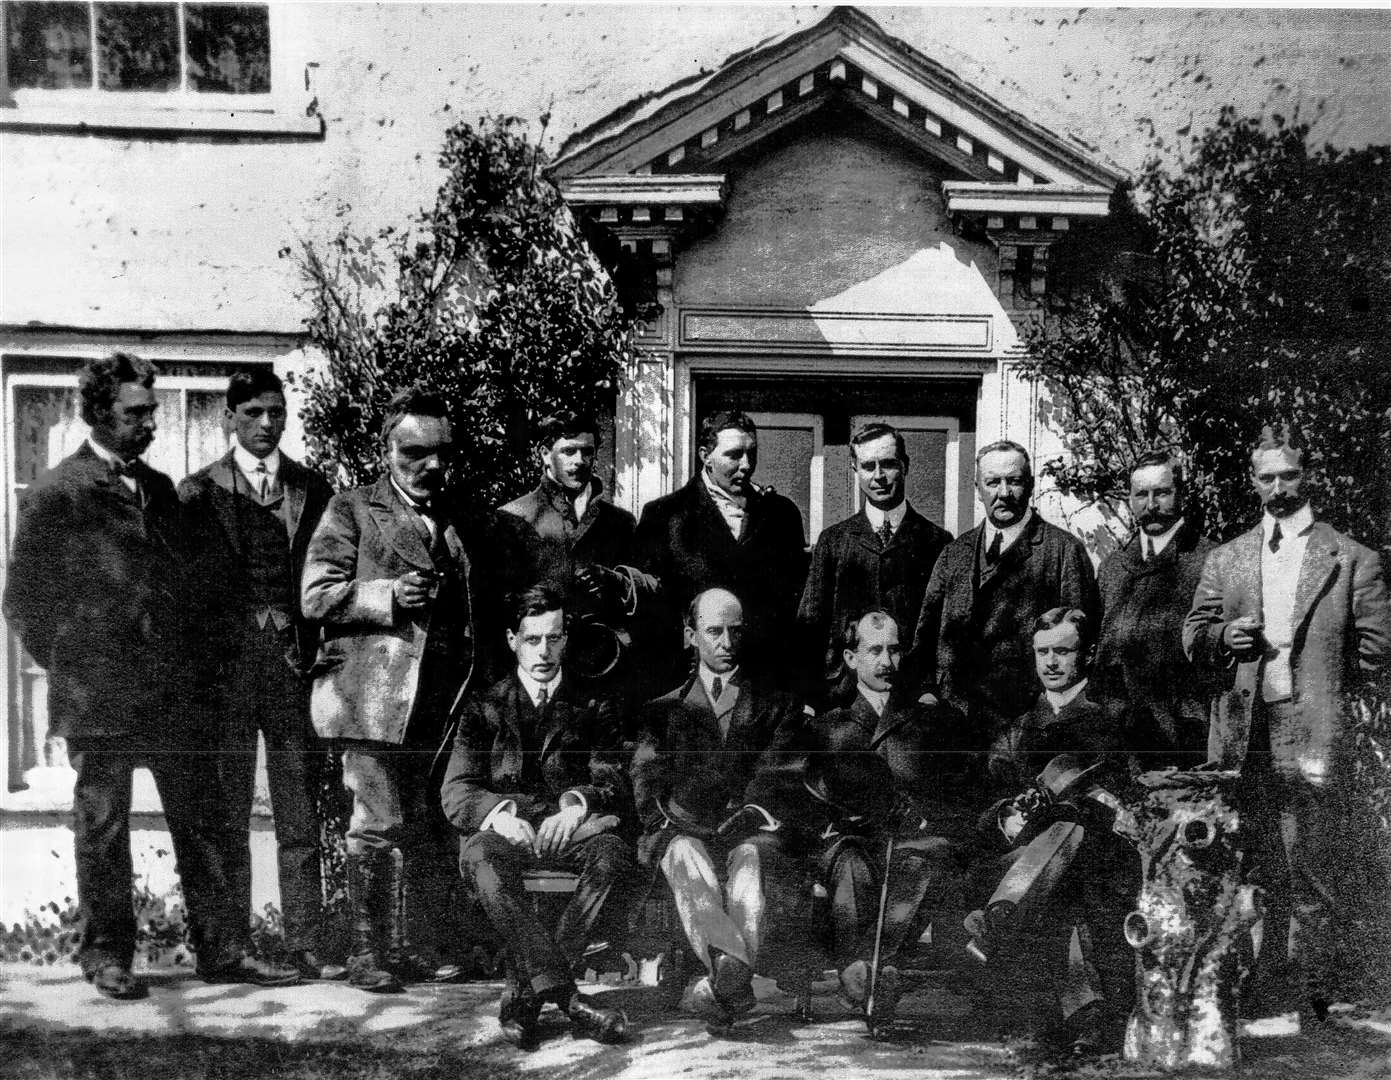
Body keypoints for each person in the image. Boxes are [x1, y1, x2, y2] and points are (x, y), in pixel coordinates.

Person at [2, 353, 298, 999]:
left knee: (203, 821)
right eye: (136, 414)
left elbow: (193, 585)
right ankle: (107, 957)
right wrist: (75, 662)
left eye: (151, 412)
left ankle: (223, 950)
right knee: (103, 827)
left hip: (171, 695)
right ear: (100, 413)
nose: (150, 425)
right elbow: (22, 599)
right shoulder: (59, 492)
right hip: (100, 698)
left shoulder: (163, 492)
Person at [1184, 427, 1391, 1021]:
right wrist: (1225, 635)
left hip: (1315, 733)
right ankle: (1254, 990)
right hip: (1243, 735)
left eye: (1288, 475)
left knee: (1313, 867)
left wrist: (1326, 687)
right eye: (1265, 477)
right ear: (1252, 481)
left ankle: (1312, 1002)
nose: (1277, 488)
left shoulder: (1352, 558)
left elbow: (1377, 652)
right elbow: (1192, 636)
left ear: (1307, 477)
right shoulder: (1228, 558)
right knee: (1250, 862)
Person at [301, 386, 497, 993]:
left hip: (442, 702)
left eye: (442, 451)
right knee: (375, 824)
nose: (432, 464)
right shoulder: (352, 509)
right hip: (374, 698)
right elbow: (315, 593)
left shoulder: (458, 519)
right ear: (386, 450)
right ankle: (367, 954)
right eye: (416, 451)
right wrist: (383, 595)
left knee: (433, 824)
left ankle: (425, 948)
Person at [178, 369, 341, 981]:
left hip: (293, 670)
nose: (267, 423)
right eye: (253, 413)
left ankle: (303, 942)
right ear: (229, 417)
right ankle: (231, 946)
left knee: (299, 811)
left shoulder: (311, 488)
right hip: (227, 676)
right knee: (228, 812)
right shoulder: (196, 494)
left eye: (276, 412)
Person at [441, 585, 634, 1049]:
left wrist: (576, 805)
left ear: (566, 639)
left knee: (614, 857)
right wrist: (501, 815)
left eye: (553, 638)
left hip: (573, 832)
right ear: (512, 640)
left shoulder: (594, 703)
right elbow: (456, 790)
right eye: (531, 640)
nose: (543, 652)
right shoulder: (483, 706)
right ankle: (568, 998)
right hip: (505, 834)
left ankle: (526, 996)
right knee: (482, 858)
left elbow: (613, 777)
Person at [630, 587, 812, 1028]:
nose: (727, 643)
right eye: (714, 631)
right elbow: (646, 779)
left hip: (749, 829)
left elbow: (779, 774)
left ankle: (720, 981)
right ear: (691, 636)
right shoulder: (662, 711)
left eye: (735, 631)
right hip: (684, 830)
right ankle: (732, 972)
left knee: (750, 861)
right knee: (684, 855)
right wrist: (676, 819)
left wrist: (746, 813)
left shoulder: (777, 706)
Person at [970, 607, 1135, 1055]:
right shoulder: (1016, 730)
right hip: (1023, 862)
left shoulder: (1117, 721)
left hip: (1103, 857)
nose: (1051, 662)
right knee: (1060, 855)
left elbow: (1136, 797)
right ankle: (1087, 1013)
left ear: (1088, 654)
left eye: (1063, 651)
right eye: (1043, 652)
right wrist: (1008, 818)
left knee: (1071, 831)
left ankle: (996, 921)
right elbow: (985, 806)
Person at [807, 610, 980, 1025]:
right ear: (851, 658)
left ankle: (862, 972)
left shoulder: (930, 720)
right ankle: (869, 973)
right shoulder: (828, 727)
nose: (887, 662)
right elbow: (810, 796)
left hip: (909, 842)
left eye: (895, 649)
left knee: (922, 862)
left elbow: (957, 790)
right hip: (850, 843)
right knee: (850, 866)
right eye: (875, 650)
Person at [910, 440, 1097, 748]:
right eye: (993, 482)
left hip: (1028, 730)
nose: (1004, 492)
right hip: (956, 727)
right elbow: (925, 639)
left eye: (1014, 481)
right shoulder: (953, 554)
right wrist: (928, 695)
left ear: (1031, 485)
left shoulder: (1063, 551)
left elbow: (1079, 646)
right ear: (978, 488)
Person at [636, 410, 807, 691]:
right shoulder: (664, 516)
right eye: (734, 455)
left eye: (752, 453)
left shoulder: (781, 515)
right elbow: (650, 613)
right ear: (706, 455)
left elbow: (796, 609)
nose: (747, 465)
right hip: (689, 684)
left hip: (766, 684)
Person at [797, 423, 952, 707]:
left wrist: (931, 689)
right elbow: (811, 625)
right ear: (856, 470)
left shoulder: (936, 542)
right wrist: (810, 696)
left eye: (888, 464)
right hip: (842, 696)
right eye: (868, 466)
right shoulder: (834, 541)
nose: (878, 476)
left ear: (905, 466)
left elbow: (944, 629)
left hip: (913, 696)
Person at [499, 412, 655, 690]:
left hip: (604, 669)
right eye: (568, 451)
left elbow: (649, 591)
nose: (579, 461)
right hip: (539, 673)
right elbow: (499, 608)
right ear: (546, 454)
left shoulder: (620, 522)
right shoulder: (513, 519)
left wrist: (615, 580)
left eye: (587, 452)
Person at [1094, 452, 1217, 769]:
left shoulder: (1212, 561)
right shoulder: (1112, 569)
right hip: (1121, 740)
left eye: (1162, 492)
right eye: (1141, 494)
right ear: (1130, 499)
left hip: (1186, 738)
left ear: (1181, 494)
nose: (1151, 504)